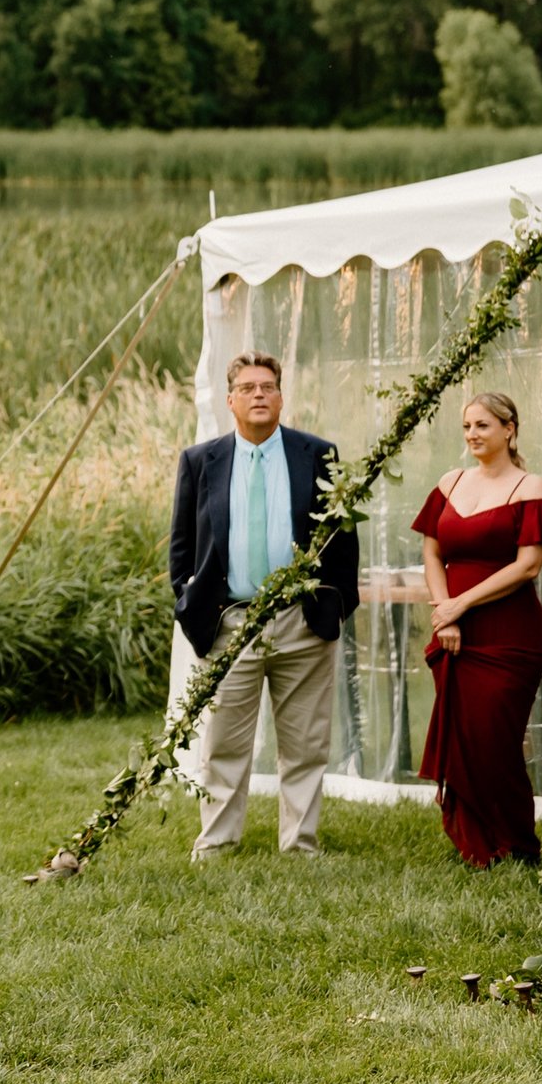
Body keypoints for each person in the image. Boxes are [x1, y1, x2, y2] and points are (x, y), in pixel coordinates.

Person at [170, 351, 360, 858]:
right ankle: (217, 842)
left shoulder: (317, 455)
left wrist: (335, 607)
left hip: (303, 622)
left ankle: (300, 844)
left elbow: (343, 544)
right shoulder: (199, 461)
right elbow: (182, 549)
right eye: (249, 387)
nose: (260, 394)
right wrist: (191, 606)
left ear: (281, 397)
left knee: (305, 744)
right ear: (230, 400)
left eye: (269, 386)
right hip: (229, 621)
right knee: (223, 743)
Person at [412, 390, 542, 868]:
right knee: (462, 738)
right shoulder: (450, 481)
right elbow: (431, 554)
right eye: (466, 427)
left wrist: (460, 604)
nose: (472, 435)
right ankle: (475, 845)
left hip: (508, 635)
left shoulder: (531, 487)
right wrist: (446, 613)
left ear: (509, 429)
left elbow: (527, 567)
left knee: (496, 741)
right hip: (453, 631)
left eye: (482, 425)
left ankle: (517, 844)